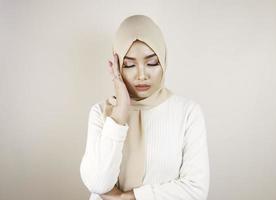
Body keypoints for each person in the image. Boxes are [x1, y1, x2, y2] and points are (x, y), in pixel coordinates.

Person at [80, 14, 210, 200]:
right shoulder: (101, 113)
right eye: (129, 65)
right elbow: (98, 183)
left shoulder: (188, 113)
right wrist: (120, 113)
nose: (142, 75)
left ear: (163, 60)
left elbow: (196, 191)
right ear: (117, 66)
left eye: (151, 63)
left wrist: (128, 197)